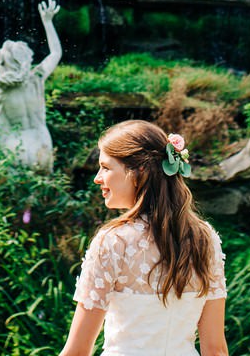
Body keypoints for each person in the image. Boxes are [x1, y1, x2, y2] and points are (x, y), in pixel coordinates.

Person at [60, 120, 229, 356]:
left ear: (138, 172)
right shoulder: (205, 239)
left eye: (106, 168)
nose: (97, 178)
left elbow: (77, 352)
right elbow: (216, 350)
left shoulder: (113, 242)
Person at [0, 0, 64, 171]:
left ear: (4, 63)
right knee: (46, 189)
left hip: (18, 146)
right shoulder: (36, 78)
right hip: (43, 140)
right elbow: (56, 53)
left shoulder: (0, 89)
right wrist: (47, 22)